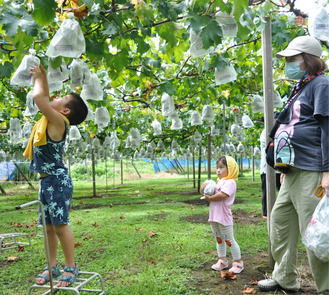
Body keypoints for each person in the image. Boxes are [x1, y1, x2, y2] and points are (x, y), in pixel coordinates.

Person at [258, 35, 329, 295]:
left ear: (307, 60)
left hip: (312, 169)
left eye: (292, 59)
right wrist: (284, 168)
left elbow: (327, 130)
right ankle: (285, 277)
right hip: (293, 170)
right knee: (280, 222)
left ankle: (326, 288)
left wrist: (327, 172)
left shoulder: (321, 85)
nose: (287, 63)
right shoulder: (300, 86)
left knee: (314, 234)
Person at [23, 64, 88, 287]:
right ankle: (52, 266)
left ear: (65, 111)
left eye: (61, 98)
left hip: (57, 181)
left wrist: (39, 77)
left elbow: (40, 99)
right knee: (48, 227)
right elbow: (46, 97)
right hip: (47, 181)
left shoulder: (59, 121)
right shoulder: (54, 119)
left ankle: (71, 266)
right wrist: (41, 77)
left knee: (60, 225)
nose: (55, 97)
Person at [200, 155, 244, 274]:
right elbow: (205, 193)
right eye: (217, 167)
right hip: (214, 216)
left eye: (222, 167)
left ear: (230, 169)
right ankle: (222, 261)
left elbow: (222, 195)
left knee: (229, 239)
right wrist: (203, 188)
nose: (218, 170)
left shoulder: (230, 182)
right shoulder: (218, 182)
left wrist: (210, 198)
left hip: (223, 216)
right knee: (219, 239)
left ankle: (238, 263)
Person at [259, 113, 282, 220]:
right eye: (275, 120)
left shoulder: (281, 130)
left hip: (280, 168)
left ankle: (281, 212)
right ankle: (266, 213)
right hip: (267, 168)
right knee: (266, 191)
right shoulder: (266, 131)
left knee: (282, 190)